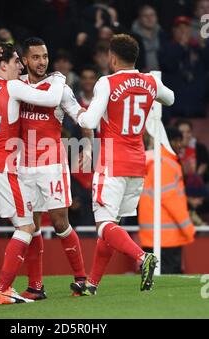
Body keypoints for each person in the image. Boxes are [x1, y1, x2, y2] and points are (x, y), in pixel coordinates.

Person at [71, 34, 174, 296]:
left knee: (104, 224)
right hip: (137, 163)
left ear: (113, 57)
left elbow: (90, 121)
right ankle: (92, 284)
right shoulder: (150, 81)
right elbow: (170, 98)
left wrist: (76, 111)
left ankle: (142, 258)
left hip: (112, 162)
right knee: (112, 224)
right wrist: (153, 90)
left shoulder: (107, 82)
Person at [0, 42, 66, 309]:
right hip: (1, 165)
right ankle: (3, 289)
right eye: (16, 62)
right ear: (3, 64)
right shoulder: (11, 86)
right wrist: (59, 77)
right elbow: (52, 99)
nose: (21, 67)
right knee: (27, 227)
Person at [18, 37, 93, 300]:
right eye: (36, 57)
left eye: (45, 57)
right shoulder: (16, 86)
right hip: (24, 165)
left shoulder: (59, 88)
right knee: (32, 225)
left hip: (51, 165)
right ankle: (36, 286)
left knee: (61, 222)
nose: (42, 62)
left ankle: (82, 280)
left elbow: (81, 116)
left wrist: (89, 146)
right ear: (25, 60)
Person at [138, 128, 195, 273]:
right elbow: (170, 199)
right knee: (167, 281)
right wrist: (188, 228)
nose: (180, 145)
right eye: (177, 141)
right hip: (167, 237)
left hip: (155, 235)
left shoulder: (156, 162)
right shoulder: (166, 164)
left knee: (151, 282)